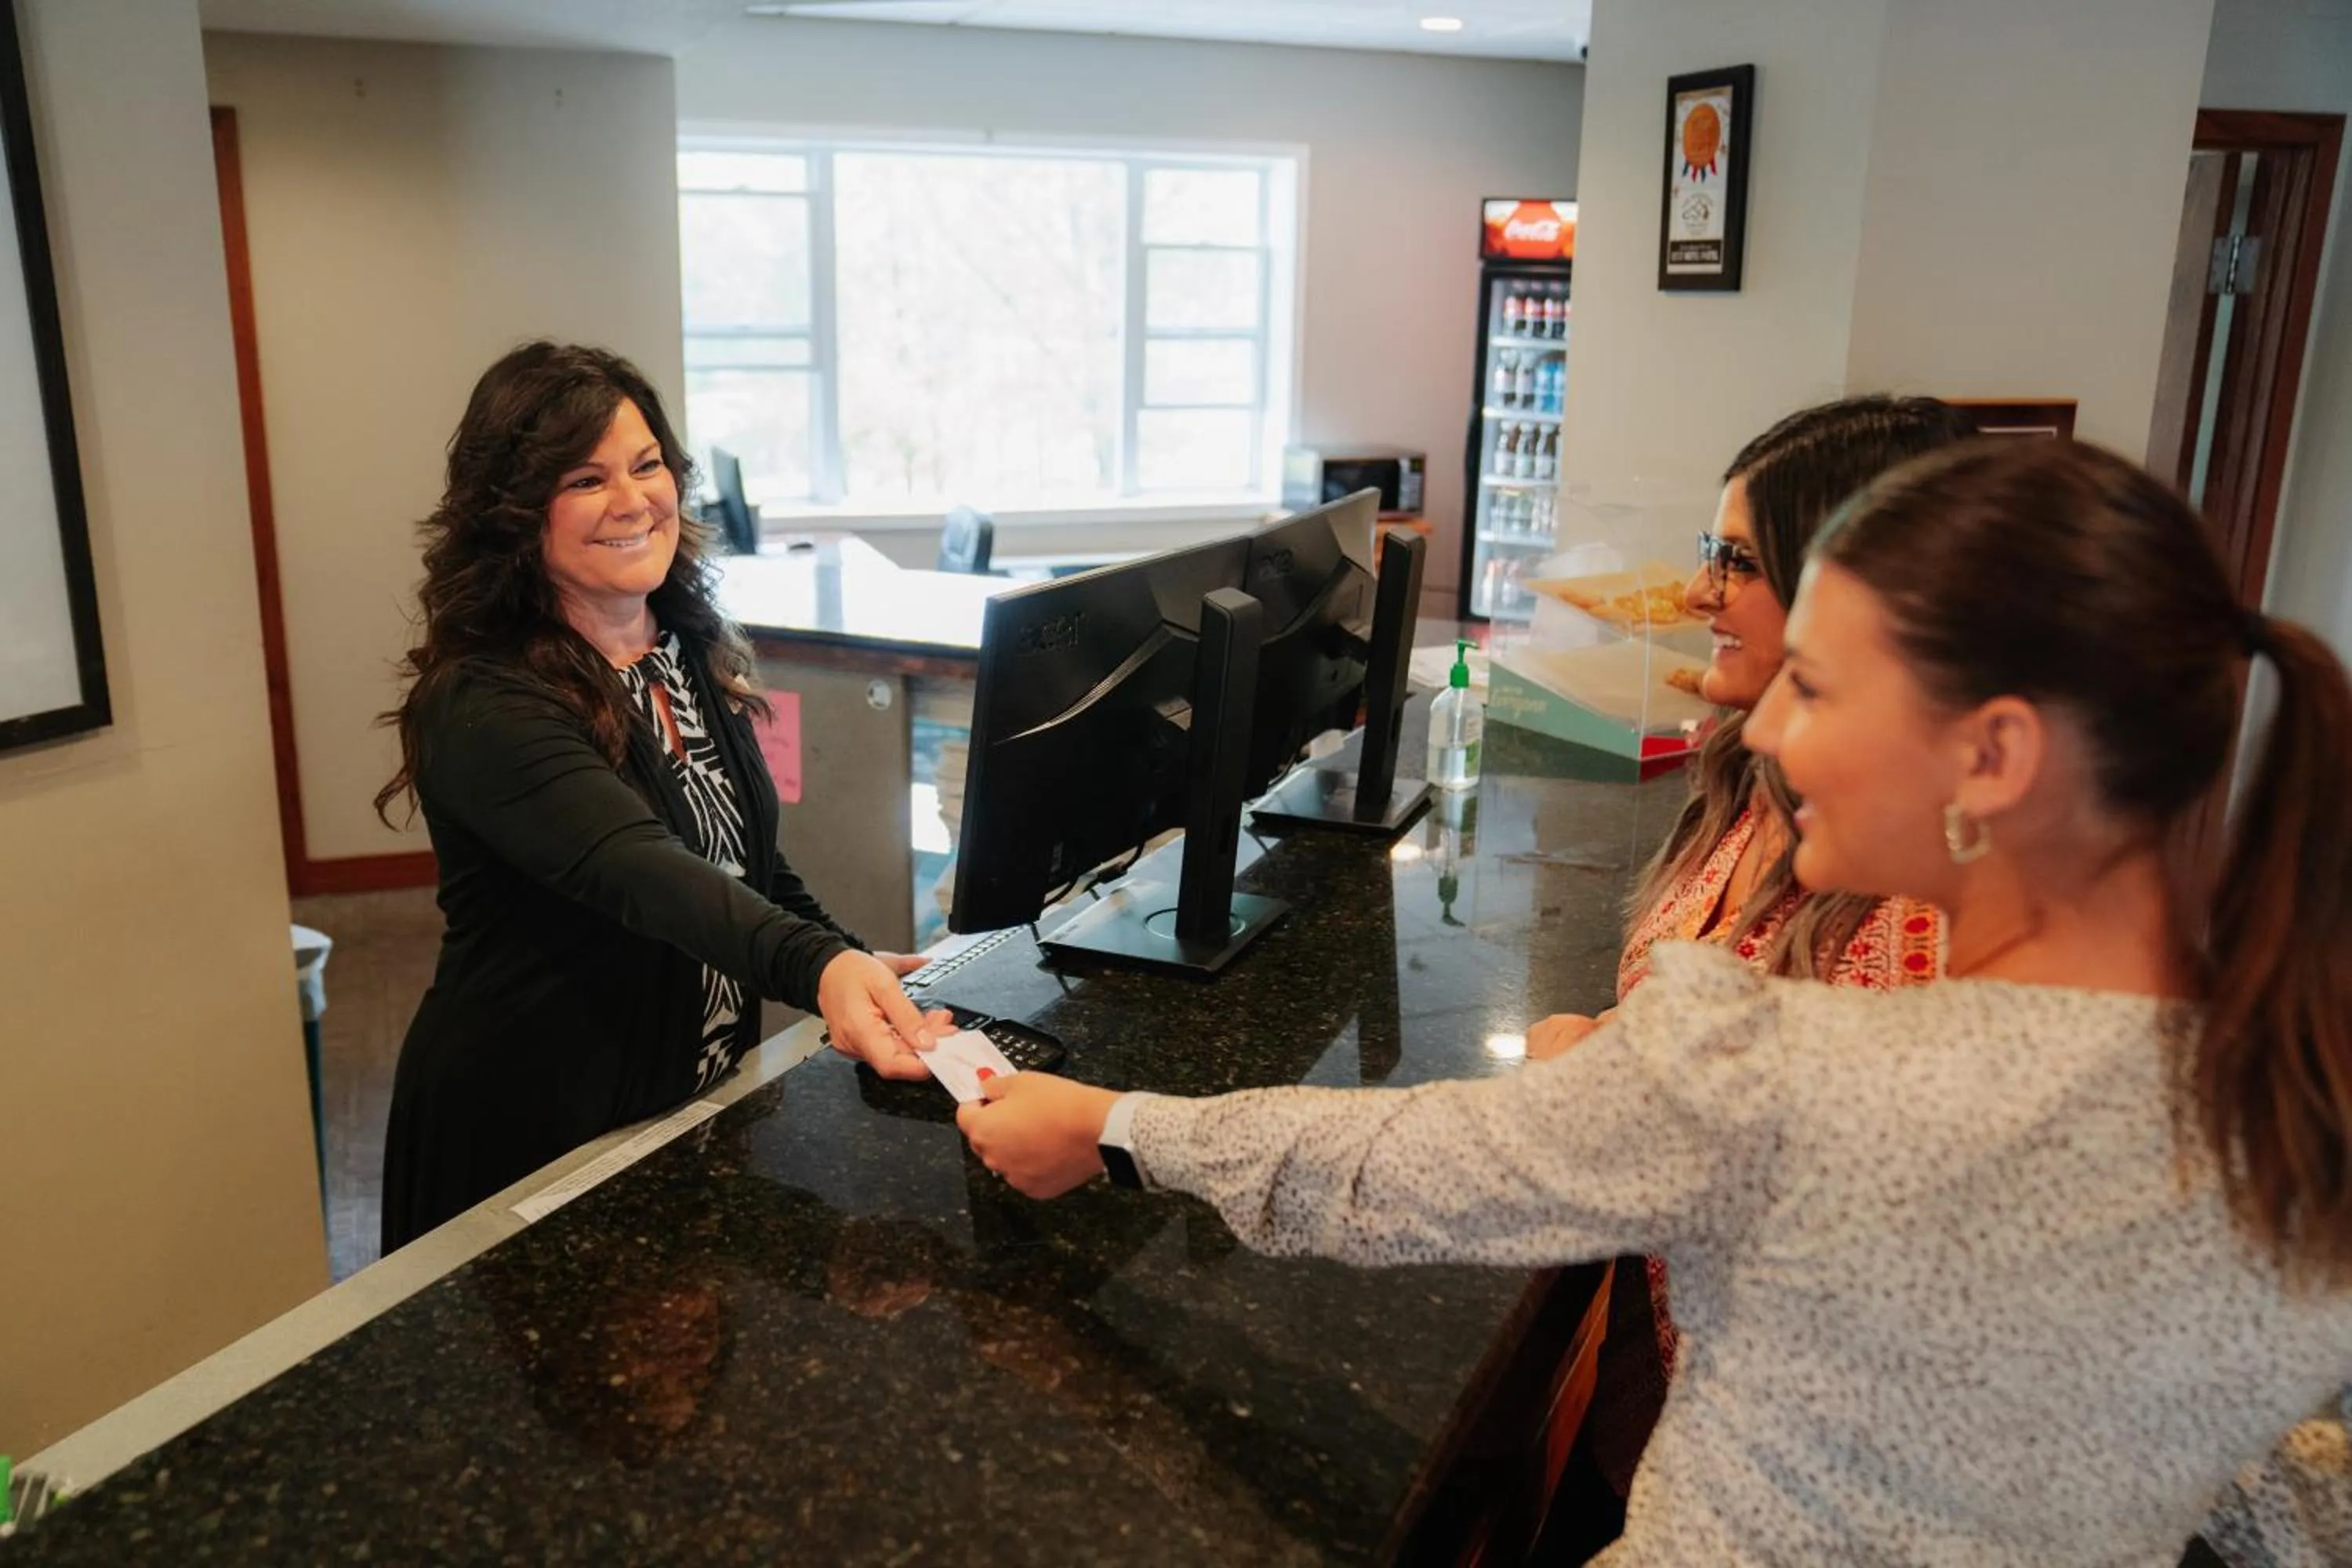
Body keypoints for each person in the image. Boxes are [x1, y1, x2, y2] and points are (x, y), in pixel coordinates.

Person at [956, 437, 2352, 1563]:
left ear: (1992, 755)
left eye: (1812, 684)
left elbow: (1395, 1174)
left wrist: (1118, 1125)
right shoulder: (2300, 1112)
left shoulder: (1778, 1071)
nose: (1775, 727)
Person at [375, 342, 946, 1251]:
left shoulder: (679, 649)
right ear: (515, 511)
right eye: (586, 478)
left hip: (686, 1112)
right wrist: (818, 970)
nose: (635, 499)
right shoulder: (483, 701)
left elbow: (744, 862)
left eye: (648, 465)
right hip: (535, 1137)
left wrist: (849, 960)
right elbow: (649, 871)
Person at [1530, 394, 1981, 1505]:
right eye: (1706, 552)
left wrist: (1591, 1096)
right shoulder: (1754, 783)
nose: (1695, 596)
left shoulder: (1928, 897)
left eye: (1737, 560)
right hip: (1670, 1414)